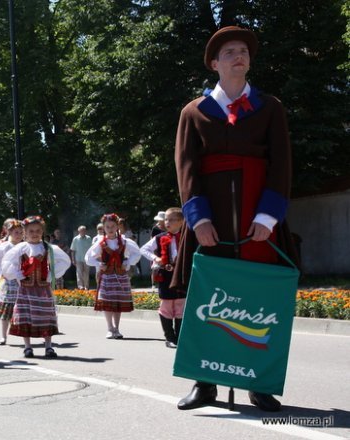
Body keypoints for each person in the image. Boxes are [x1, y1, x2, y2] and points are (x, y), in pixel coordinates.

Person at [172, 26, 298, 412]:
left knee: (260, 300)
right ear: (215, 63)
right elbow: (186, 169)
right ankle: (204, 383)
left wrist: (268, 217)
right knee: (207, 300)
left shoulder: (270, 107)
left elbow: (281, 165)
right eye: (229, 52)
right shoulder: (194, 112)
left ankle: (259, 383)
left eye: (243, 50)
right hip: (213, 223)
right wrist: (199, 219)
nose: (238, 56)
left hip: (257, 221)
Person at [1, 216, 71, 358]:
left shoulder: (49, 248)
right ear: (25, 232)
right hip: (26, 288)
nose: (35, 233)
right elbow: (7, 263)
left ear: (42, 231)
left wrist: (52, 274)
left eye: (38, 231)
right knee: (26, 316)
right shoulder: (21, 248)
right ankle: (28, 347)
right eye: (31, 231)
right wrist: (17, 274)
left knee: (46, 315)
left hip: (43, 288)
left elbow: (65, 260)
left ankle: (49, 346)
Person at [85, 214, 141, 339]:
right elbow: (88, 258)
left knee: (118, 302)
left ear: (117, 227)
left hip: (121, 276)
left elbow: (137, 253)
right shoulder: (100, 242)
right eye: (107, 227)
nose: (110, 229)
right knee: (107, 302)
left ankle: (117, 328)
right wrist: (99, 264)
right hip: (107, 276)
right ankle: (110, 328)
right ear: (104, 228)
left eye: (113, 226)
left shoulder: (125, 241)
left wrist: (127, 262)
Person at [140, 207, 185, 348]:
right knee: (166, 305)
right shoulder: (159, 238)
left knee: (180, 305)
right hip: (166, 275)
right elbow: (144, 249)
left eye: (171, 219)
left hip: (182, 275)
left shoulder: (186, 238)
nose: (167, 222)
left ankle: (179, 337)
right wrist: (155, 258)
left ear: (181, 221)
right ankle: (169, 338)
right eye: (166, 219)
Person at [0, 218, 24, 346]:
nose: (19, 235)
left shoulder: (25, 246)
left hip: (23, 281)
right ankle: (3, 336)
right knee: (6, 311)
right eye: (16, 232)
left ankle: (27, 336)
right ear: (9, 233)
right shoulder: (4, 246)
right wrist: (1, 271)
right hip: (8, 282)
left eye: (21, 232)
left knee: (23, 309)